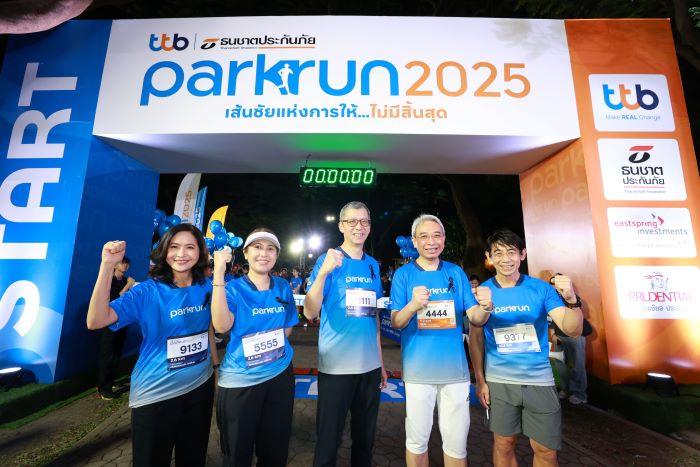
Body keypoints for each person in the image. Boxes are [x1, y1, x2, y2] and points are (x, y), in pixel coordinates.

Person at [86, 224, 218, 467]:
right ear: (164, 251)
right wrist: (107, 265)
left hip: (200, 387)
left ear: (200, 252)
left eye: (190, 247)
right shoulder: (147, 291)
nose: (181, 254)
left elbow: (209, 326)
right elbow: (96, 320)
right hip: (157, 393)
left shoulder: (207, 287)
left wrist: (215, 366)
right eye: (174, 247)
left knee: (193, 459)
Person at [469, 229, 583, 467]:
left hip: (539, 380)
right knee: (503, 443)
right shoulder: (483, 293)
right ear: (489, 257)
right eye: (498, 253)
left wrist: (572, 300)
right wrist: (480, 380)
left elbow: (572, 329)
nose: (505, 259)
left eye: (511, 252)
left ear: (522, 254)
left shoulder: (541, 289)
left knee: (545, 450)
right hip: (500, 381)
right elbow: (476, 338)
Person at [389, 214, 486, 467]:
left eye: (436, 235)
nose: (431, 242)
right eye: (424, 236)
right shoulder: (403, 275)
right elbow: (397, 321)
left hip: (455, 373)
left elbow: (475, 316)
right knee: (416, 442)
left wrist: (486, 307)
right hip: (418, 373)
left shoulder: (456, 272)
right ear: (414, 241)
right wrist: (413, 305)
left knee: (456, 445)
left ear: (443, 238)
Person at [304, 201, 387, 467]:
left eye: (364, 221)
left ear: (369, 226)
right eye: (352, 221)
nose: (358, 227)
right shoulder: (328, 260)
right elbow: (309, 311)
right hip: (336, 369)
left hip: (370, 369)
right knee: (328, 443)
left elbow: (373, 317)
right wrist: (323, 273)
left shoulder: (373, 265)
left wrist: (381, 363)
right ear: (341, 226)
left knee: (365, 442)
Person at [211, 228, 298, 466]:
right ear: (246, 253)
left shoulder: (283, 286)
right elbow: (221, 325)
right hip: (241, 382)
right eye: (257, 247)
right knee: (237, 454)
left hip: (280, 376)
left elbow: (288, 326)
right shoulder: (232, 289)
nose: (264, 253)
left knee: (275, 452)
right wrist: (218, 273)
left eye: (270, 249)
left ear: (277, 255)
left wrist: (268, 344)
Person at [96, 256, 135, 400]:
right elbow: (115, 300)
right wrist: (128, 286)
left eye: (127, 263)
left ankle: (110, 382)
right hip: (109, 324)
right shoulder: (109, 280)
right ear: (114, 265)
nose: (125, 265)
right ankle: (103, 388)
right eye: (122, 263)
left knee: (116, 354)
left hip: (122, 322)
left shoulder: (125, 280)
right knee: (107, 355)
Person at [549, 273, 590, 405]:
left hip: (575, 336)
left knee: (578, 366)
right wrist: (553, 334)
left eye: (558, 282)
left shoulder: (572, 297)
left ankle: (580, 394)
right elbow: (550, 319)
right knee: (560, 366)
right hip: (559, 336)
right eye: (553, 283)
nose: (556, 285)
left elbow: (577, 316)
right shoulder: (550, 299)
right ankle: (565, 390)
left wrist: (569, 297)